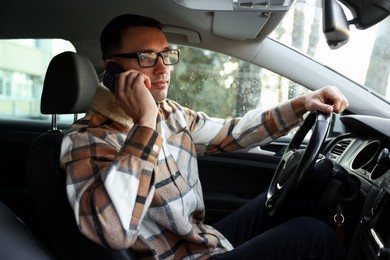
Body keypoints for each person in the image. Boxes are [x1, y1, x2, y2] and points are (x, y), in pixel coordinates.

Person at [60, 14, 349, 259]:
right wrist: (144, 123)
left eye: (166, 54)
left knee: (296, 200)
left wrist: (302, 103)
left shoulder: (170, 114)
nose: (163, 68)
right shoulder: (87, 140)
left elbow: (231, 133)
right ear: (112, 68)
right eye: (146, 57)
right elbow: (112, 229)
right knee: (312, 236)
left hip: (200, 243)